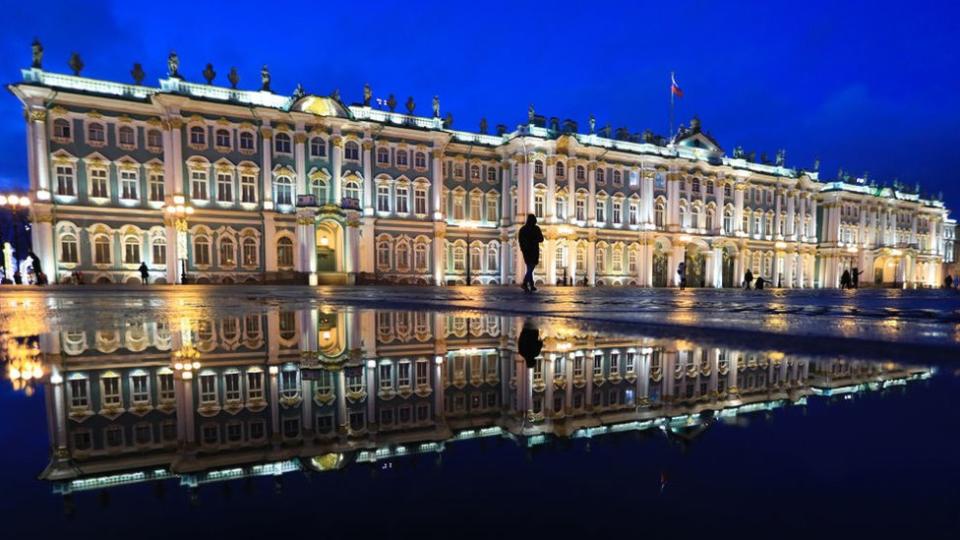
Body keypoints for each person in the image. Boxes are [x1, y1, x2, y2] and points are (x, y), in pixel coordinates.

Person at [517, 214, 543, 293]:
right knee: (531, 268)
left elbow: (520, 241)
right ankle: (525, 283)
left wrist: (523, 249)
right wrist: (534, 240)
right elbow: (541, 239)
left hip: (526, 251)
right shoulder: (536, 228)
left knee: (529, 268)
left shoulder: (523, 229)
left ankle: (531, 285)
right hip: (533, 250)